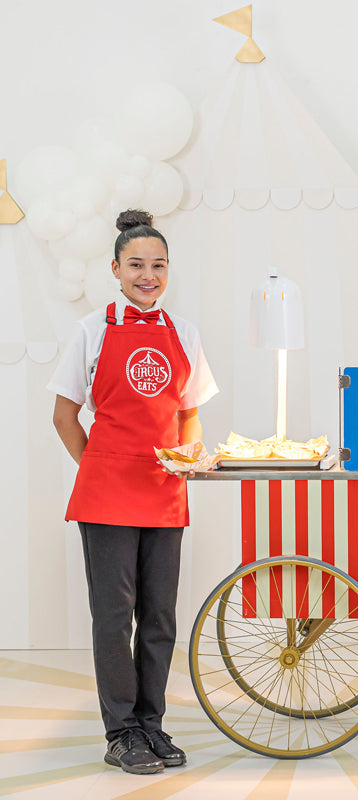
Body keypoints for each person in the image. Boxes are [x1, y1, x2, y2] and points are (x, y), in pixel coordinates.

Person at [48, 209, 218, 775]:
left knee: (161, 615)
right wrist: (99, 463)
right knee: (114, 616)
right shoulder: (93, 330)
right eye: (137, 265)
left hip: (165, 489)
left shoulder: (182, 332)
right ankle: (120, 732)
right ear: (115, 269)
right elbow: (64, 414)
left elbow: (189, 412)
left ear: (169, 270)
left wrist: (187, 455)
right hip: (106, 492)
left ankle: (151, 724)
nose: (149, 275)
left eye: (159, 266)